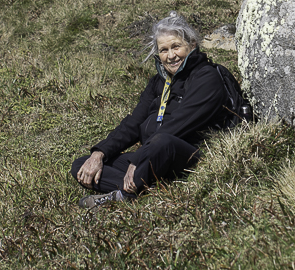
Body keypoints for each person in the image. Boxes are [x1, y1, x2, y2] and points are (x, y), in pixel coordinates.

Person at [71, 12, 230, 209]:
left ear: (192, 45)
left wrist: (138, 159)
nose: (171, 56)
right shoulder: (158, 82)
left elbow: (178, 125)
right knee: (81, 166)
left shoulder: (206, 78)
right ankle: (140, 188)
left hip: (188, 156)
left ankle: (128, 191)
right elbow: (133, 123)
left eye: (176, 47)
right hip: (149, 156)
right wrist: (99, 154)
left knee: (162, 141)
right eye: (163, 50)